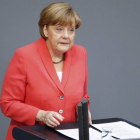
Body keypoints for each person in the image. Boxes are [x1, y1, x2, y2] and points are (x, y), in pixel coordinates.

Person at [0, 2, 91, 140]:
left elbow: (83, 95)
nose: (66, 35)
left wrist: (84, 111)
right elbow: (8, 103)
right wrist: (41, 114)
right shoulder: (24, 55)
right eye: (59, 29)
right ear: (45, 30)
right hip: (30, 136)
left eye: (71, 30)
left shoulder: (80, 53)